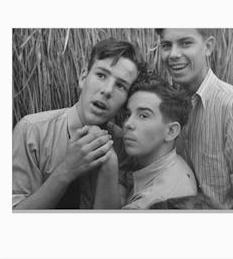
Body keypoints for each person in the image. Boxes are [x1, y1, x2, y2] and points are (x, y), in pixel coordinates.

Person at [12, 38, 142, 209]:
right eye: (101, 75)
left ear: (125, 102)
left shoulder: (123, 146)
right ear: (83, 78)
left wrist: (110, 164)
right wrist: (66, 170)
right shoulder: (31, 131)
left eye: (120, 86)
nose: (107, 90)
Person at [156, 28, 233, 209]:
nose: (173, 54)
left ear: (208, 46)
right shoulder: (169, 106)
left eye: (186, 43)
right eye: (166, 45)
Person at [88, 73, 197, 209]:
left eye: (143, 116)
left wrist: (109, 165)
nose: (128, 123)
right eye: (128, 114)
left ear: (171, 132)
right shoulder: (174, 163)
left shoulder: (152, 202)